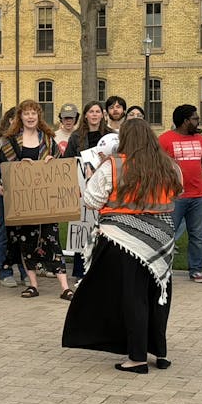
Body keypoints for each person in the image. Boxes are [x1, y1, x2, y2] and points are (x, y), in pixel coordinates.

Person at [62, 117, 183, 374]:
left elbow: (93, 200)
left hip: (122, 239)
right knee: (157, 296)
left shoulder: (114, 166)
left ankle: (137, 358)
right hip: (160, 239)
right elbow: (177, 192)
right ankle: (158, 352)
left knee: (133, 298)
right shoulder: (169, 165)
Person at [0, 99, 73, 300]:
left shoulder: (48, 139)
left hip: (47, 202)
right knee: (27, 243)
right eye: (26, 113)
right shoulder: (11, 141)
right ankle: (32, 284)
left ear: (39, 116)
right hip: (24, 203)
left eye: (34, 113)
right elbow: (2, 168)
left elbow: (61, 167)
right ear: (20, 117)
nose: (30, 117)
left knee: (53, 241)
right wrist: (19, 167)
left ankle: (65, 287)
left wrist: (51, 160)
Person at [62, 101, 113, 282]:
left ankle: (102, 272)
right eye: (91, 111)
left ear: (102, 115)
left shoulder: (111, 136)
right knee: (82, 230)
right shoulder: (76, 137)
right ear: (85, 115)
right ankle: (80, 272)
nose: (94, 115)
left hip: (105, 188)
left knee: (104, 231)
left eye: (97, 111)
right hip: (82, 190)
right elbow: (67, 162)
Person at [159, 105, 202, 283]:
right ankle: (163, 269)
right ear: (185, 121)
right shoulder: (165, 139)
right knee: (167, 233)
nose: (198, 121)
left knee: (197, 235)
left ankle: (196, 269)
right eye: (195, 118)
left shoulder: (200, 139)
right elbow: (159, 167)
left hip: (199, 197)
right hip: (174, 198)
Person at [0, 107, 28, 288]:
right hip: (4, 191)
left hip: (24, 192)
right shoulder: (0, 142)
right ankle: (5, 271)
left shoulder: (29, 138)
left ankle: (24, 270)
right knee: (5, 232)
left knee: (24, 232)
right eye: (15, 119)